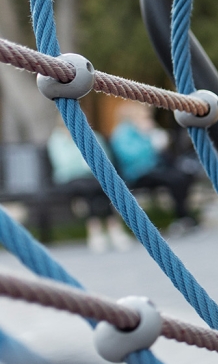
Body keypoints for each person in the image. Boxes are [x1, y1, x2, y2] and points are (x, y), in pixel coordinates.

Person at [110, 103, 199, 234]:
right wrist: (149, 141)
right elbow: (130, 156)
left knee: (184, 176)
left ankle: (184, 216)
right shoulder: (122, 134)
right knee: (175, 180)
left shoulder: (144, 130)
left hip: (155, 169)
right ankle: (182, 217)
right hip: (138, 173)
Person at [47, 128, 131, 253]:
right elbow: (64, 163)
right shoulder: (58, 140)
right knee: (88, 188)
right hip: (70, 177)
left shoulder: (94, 135)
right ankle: (104, 227)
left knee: (101, 186)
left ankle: (102, 229)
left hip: (91, 175)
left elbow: (104, 156)